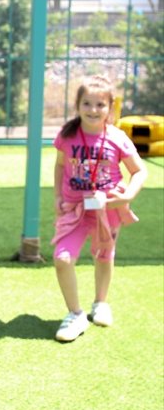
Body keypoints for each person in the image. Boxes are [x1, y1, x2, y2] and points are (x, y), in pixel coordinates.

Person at [51, 75, 146, 342]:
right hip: (74, 211)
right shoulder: (67, 135)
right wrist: (57, 195)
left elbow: (139, 172)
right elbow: (60, 166)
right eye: (87, 104)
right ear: (77, 105)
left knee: (104, 256)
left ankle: (101, 303)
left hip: (108, 211)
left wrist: (125, 197)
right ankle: (75, 314)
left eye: (100, 105)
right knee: (62, 258)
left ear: (110, 107)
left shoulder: (117, 138)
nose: (93, 110)